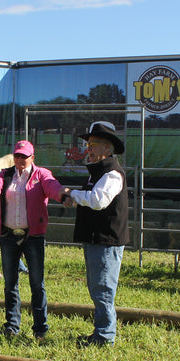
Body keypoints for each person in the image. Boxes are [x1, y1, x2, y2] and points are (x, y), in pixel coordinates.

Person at [0, 140, 66, 340]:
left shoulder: (41, 175)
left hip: (33, 236)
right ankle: (12, 326)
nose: (20, 159)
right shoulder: (6, 174)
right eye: (17, 155)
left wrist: (63, 194)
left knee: (37, 284)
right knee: (10, 283)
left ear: (32, 157)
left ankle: (40, 329)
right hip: (9, 236)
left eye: (24, 156)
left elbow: (52, 185)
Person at [63, 121, 129, 347]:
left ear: (107, 147)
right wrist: (78, 197)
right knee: (98, 287)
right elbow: (92, 198)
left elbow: (98, 201)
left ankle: (104, 336)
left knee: (102, 289)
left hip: (105, 240)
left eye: (92, 144)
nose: (87, 149)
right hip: (97, 239)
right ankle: (101, 332)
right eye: (87, 144)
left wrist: (73, 193)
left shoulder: (111, 174)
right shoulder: (100, 172)